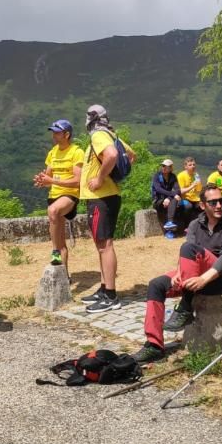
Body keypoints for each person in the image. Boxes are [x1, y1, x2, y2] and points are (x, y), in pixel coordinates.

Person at [130, 185, 222, 363]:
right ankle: (154, 345)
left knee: (190, 248)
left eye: (221, 201)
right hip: (196, 273)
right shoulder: (194, 225)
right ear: (202, 205)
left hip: (221, 278)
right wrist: (179, 271)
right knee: (156, 286)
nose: (219, 206)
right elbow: (185, 253)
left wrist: (203, 279)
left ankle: (185, 307)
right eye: (213, 202)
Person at [78, 105, 135, 314]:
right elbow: (131, 155)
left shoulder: (98, 135)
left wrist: (100, 178)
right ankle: (104, 289)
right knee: (102, 245)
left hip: (100, 197)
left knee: (105, 245)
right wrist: (114, 176)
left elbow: (111, 155)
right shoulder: (110, 133)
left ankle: (110, 296)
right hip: (108, 196)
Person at [33, 119, 84, 267]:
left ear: (67, 134)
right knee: (61, 240)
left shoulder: (77, 152)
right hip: (54, 195)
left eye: (57, 132)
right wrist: (41, 180)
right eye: (53, 132)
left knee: (53, 210)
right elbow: (47, 175)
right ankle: (65, 277)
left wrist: (52, 181)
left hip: (70, 194)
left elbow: (77, 181)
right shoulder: (52, 152)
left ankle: (54, 251)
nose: (54, 135)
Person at [151, 158, 181, 239]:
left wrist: (168, 198)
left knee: (175, 200)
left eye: (166, 166)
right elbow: (158, 189)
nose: (163, 167)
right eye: (162, 165)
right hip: (158, 200)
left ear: (171, 168)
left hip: (169, 200)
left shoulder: (173, 176)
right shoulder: (157, 176)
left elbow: (177, 190)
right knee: (175, 199)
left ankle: (170, 223)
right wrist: (172, 195)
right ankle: (170, 226)